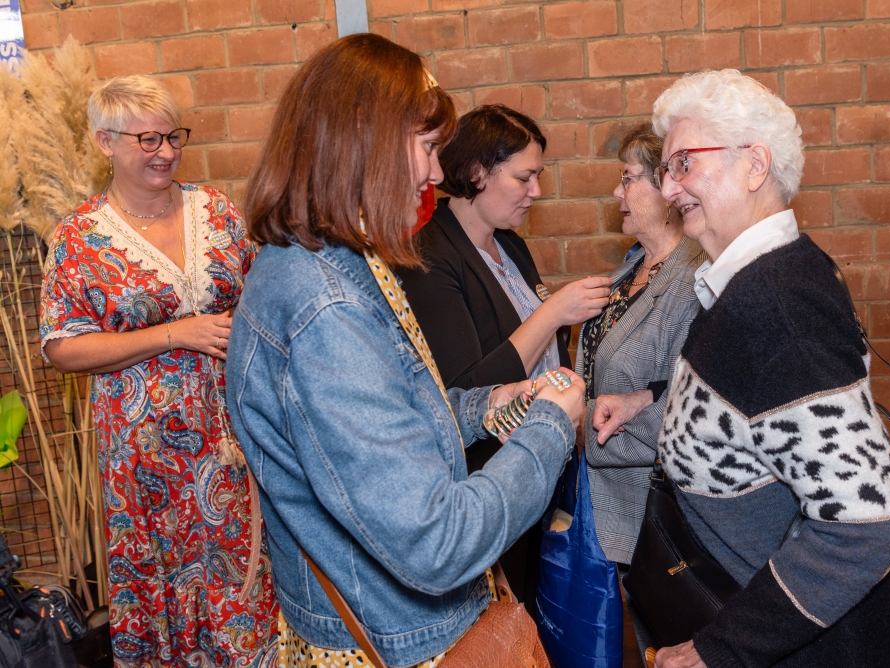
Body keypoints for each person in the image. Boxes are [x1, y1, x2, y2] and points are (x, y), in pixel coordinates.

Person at [226, 34, 584, 668]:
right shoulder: (326, 308)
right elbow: (437, 542)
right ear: (365, 143)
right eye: (426, 148)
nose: (437, 174)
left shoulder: (332, 260)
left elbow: (393, 416)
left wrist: (491, 404)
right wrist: (552, 427)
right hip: (396, 637)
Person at [649, 69, 890, 668]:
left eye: (684, 163)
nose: (668, 188)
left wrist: (720, 650)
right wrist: (653, 400)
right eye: (667, 168)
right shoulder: (765, 278)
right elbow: (754, 403)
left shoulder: (775, 306)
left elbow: (864, 524)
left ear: (754, 165)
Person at [39, 75, 277, 666]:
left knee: (248, 588)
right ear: (105, 142)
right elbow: (60, 347)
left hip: (235, 439)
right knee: (167, 595)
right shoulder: (79, 238)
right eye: (147, 139)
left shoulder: (216, 210)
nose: (165, 152)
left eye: (173, 136)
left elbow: (263, 298)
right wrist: (174, 333)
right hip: (146, 462)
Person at [396, 104, 610, 606]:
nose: (536, 191)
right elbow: (468, 387)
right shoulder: (429, 257)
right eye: (524, 177)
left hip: (537, 461)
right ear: (477, 173)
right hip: (487, 478)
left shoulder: (509, 244)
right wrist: (553, 312)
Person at [573, 122, 706, 659]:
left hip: (656, 525)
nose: (617, 192)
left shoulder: (694, 282)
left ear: (667, 191)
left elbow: (685, 412)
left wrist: (578, 429)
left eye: (628, 179)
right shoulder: (632, 266)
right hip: (609, 517)